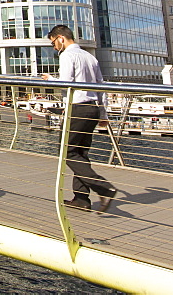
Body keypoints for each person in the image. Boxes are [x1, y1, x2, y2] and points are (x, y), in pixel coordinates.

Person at [43, 25, 117, 214]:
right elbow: (101, 87)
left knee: (67, 151)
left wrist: (50, 80)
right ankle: (81, 199)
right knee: (81, 153)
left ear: (60, 38)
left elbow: (67, 83)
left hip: (77, 108)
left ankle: (103, 188)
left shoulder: (67, 55)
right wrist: (103, 114)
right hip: (92, 108)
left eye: (53, 42)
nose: (54, 47)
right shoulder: (90, 57)